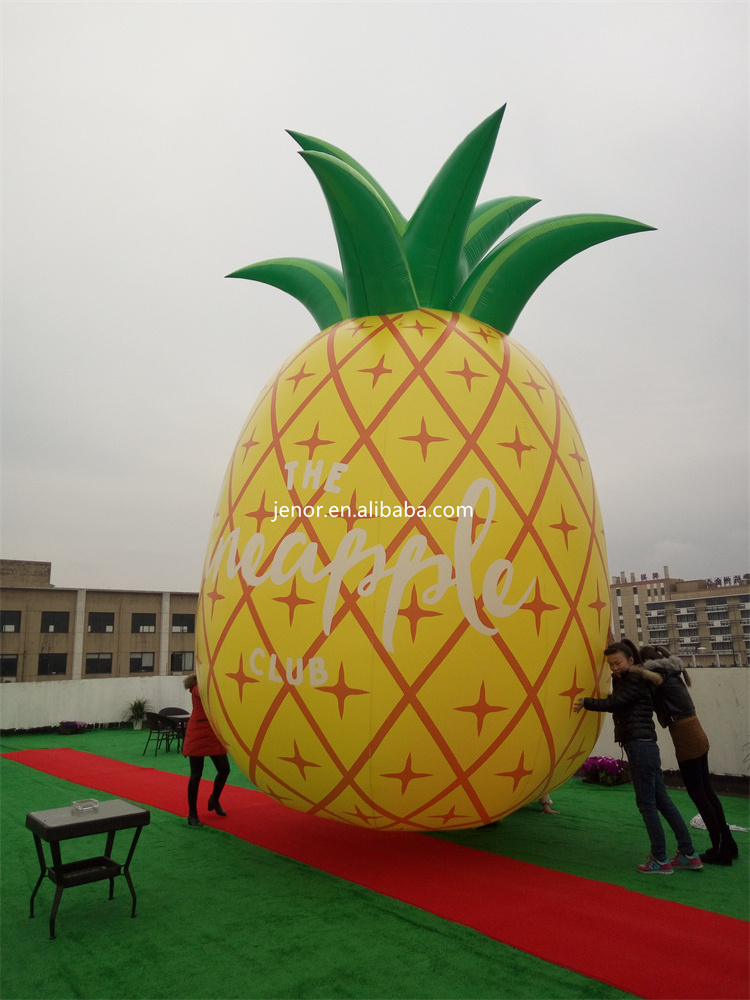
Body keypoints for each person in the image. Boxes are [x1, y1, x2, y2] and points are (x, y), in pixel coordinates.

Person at [574, 639, 700, 874]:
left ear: (631, 661)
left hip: (640, 747)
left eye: (618, 663)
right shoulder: (633, 678)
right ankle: (688, 854)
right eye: (610, 665)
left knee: (647, 804)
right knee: (663, 802)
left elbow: (617, 703)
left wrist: (586, 702)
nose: (614, 668)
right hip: (646, 746)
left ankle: (660, 859)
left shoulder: (634, 679)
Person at [632, 645, 738, 866]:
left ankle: (720, 848)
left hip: (686, 737)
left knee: (699, 794)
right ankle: (727, 843)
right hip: (696, 732)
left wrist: (636, 671)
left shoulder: (659, 674)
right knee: (707, 791)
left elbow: (651, 687)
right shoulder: (673, 671)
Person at [182, 672, 230, 827]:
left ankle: (214, 799)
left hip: (213, 733)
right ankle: (192, 814)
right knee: (196, 774)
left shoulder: (209, 684)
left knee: (224, 769)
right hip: (199, 733)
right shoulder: (198, 686)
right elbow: (204, 692)